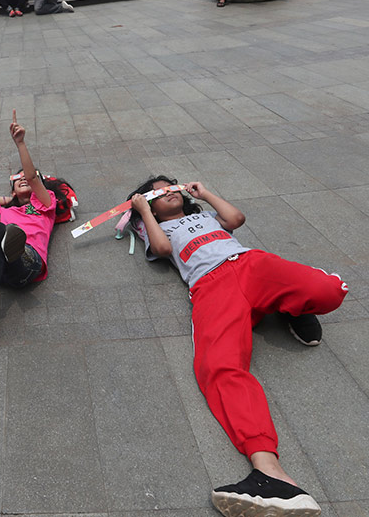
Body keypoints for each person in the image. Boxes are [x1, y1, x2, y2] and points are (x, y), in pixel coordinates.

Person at [126, 176, 348, 516]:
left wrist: (206, 194)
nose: (169, 191)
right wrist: (142, 213)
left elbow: (236, 220)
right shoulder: (156, 229)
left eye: (172, 186)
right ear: (149, 203)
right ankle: (271, 476)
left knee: (328, 290)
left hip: (249, 264)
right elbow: (162, 250)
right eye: (158, 191)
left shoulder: (203, 217)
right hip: (210, 285)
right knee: (216, 368)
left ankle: (291, 308)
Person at [0, 110, 65, 359]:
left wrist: (20, 143)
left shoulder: (44, 203)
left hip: (26, 262)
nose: (24, 178)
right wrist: (11, 200)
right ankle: (1, 234)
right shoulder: (2, 210)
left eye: (29, 178)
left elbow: (31, 175)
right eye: (17, 178)